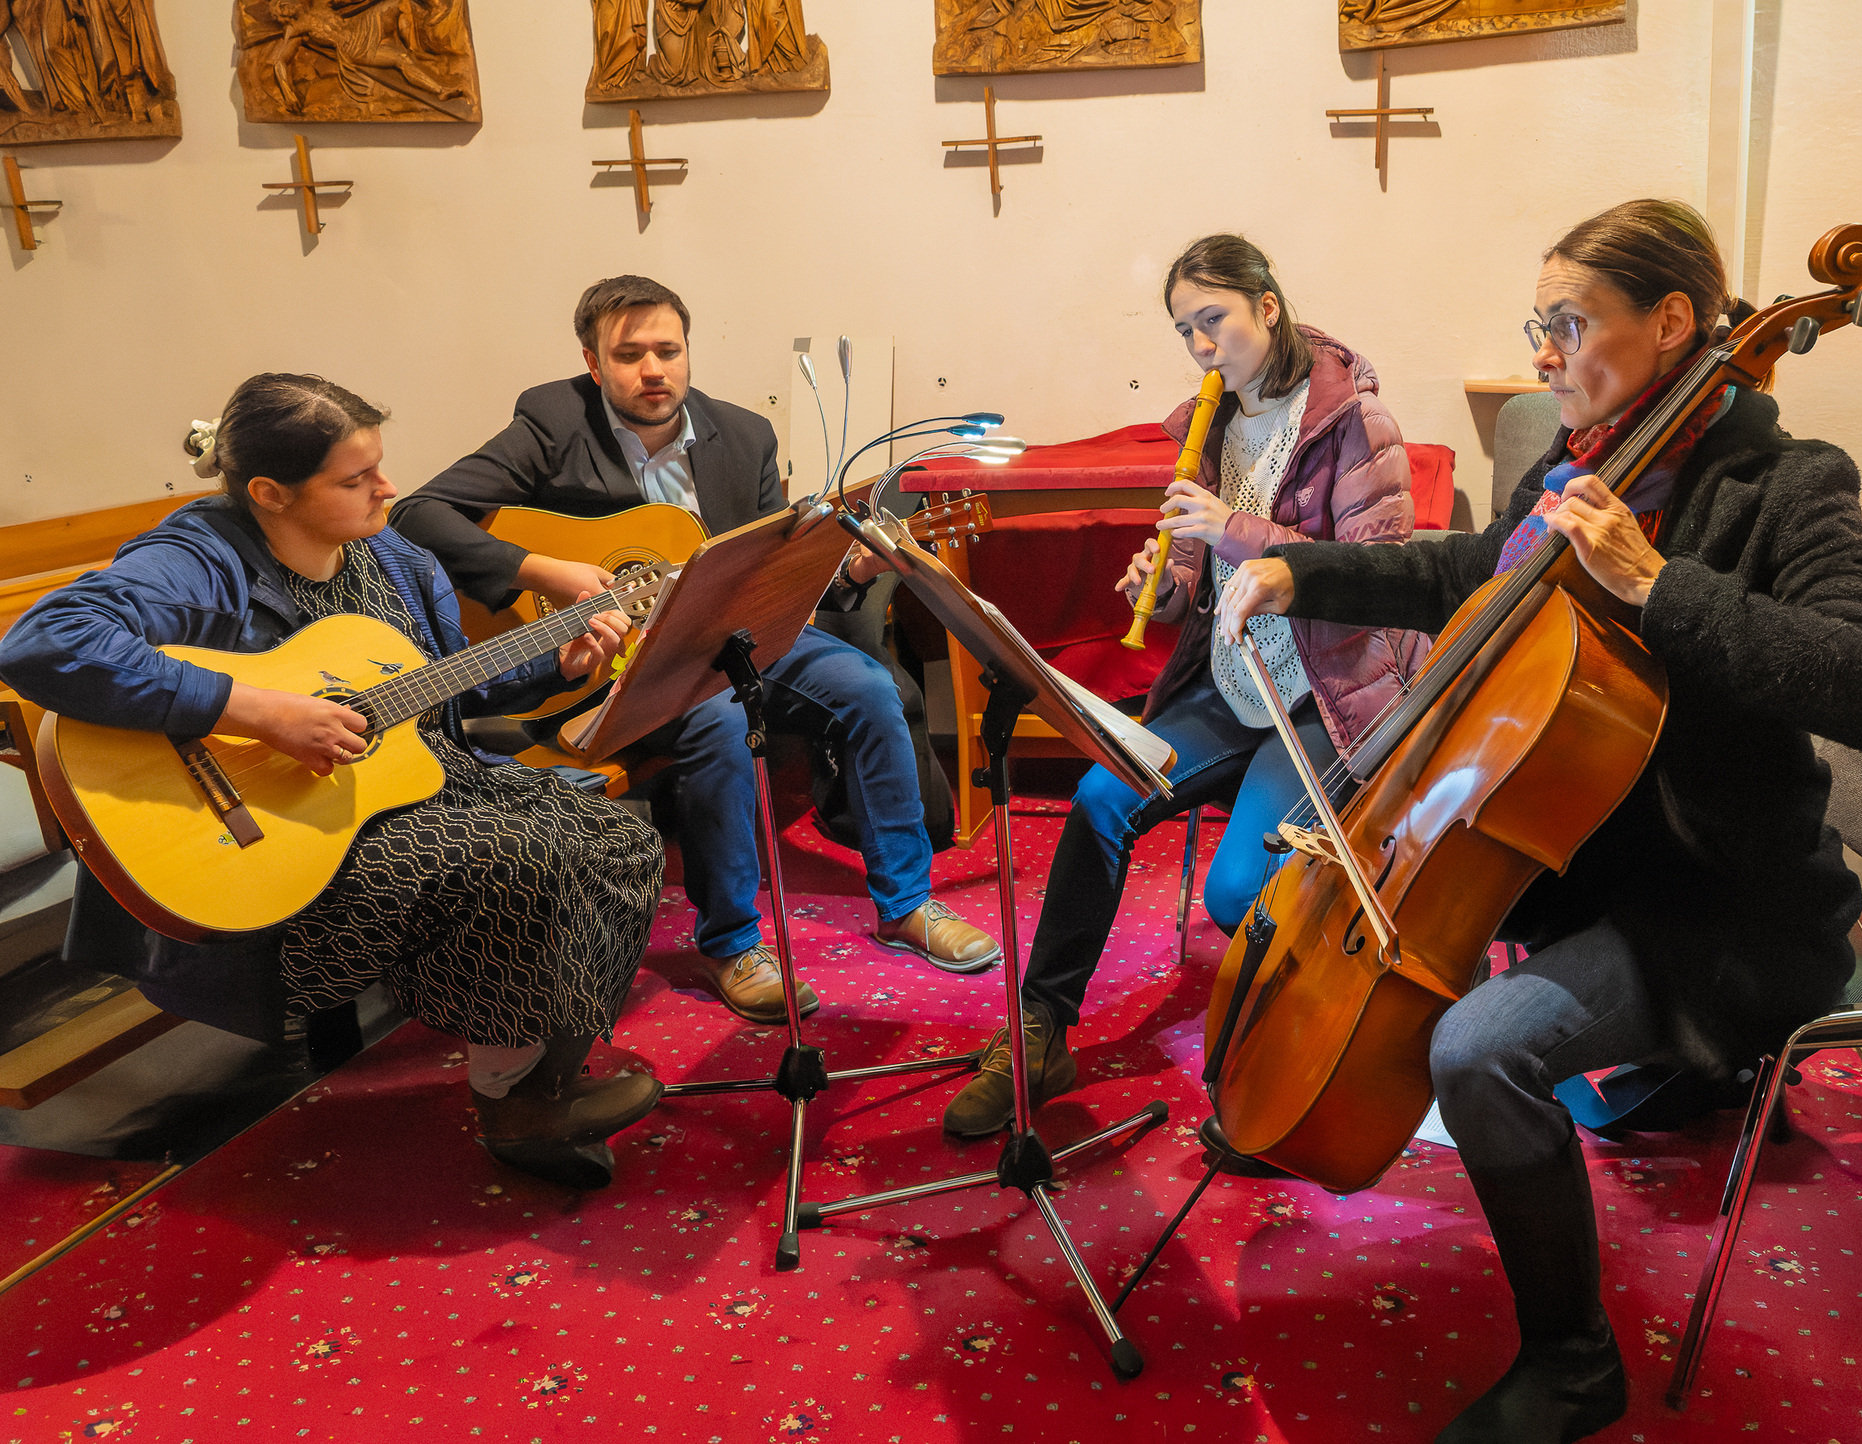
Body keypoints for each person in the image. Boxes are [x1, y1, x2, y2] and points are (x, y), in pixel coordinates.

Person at [1216, 200, 1862, 1442]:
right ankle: (1322, 1101)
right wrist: (1296, 567)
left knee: (1475, 1048)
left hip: (1720, 906)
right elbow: (1464, 569)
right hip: (1592, 872)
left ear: (1668, 323)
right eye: (1534, 327)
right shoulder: (1586, 459)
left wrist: (1658, 588)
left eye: (1565, 324)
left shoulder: (1783, 484)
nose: (1544, 354)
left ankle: (1571, 1359)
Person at [0, 374, 671, 1192]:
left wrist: (558, 668)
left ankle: (541, 1085)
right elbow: (45, 643)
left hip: (404, 788)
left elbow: (448, 685)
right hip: (263, 837)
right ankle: (516, 1103)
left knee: (620, 838)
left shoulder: (390, 553)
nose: (387, 489)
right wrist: (261, 712)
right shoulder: (199, 556)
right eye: (356, 480)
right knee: (521, 856)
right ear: (269, 493)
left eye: (380, 467)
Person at [391, 275, 998, 1028]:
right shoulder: (551, 421)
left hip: (738, 635)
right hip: (616, 663)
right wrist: (548, 572)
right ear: (593, 361)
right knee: (713, 722)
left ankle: (907, 903)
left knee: (871, 689)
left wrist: (854, 567)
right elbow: (418, 513)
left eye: (668, 350)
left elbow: (779, 566)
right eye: (630, 354)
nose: (654, 370)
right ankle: (732, 944)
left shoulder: (743, 435)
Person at [942, 234, 1430, 1137]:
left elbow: (1380, 574)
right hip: (1232, 683)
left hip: (1323, 694)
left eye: (1215, 321)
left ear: (1267, 307)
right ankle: (1040, 1030)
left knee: (1236, 893)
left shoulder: (1359, 423)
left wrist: (1237, 529)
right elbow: (1196, 589)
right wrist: (1161, 584)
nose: (1204, 349)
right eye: (1185, 332)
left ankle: (1286, 1052)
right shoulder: (1207, 426)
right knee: (1097, 800)